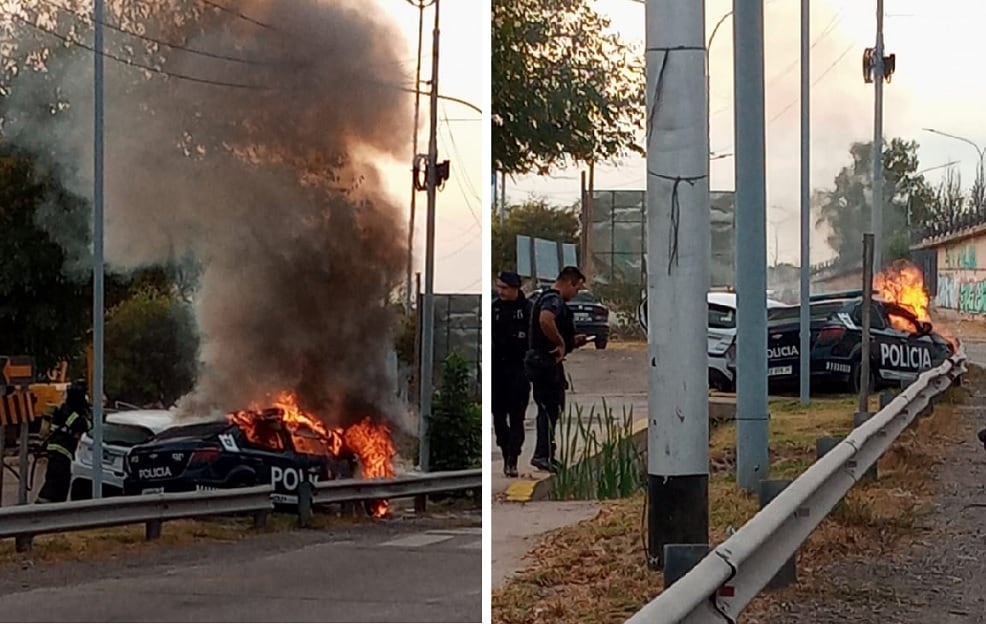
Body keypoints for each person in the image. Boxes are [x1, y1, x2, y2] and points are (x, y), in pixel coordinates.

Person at [524, 266, 589, 473]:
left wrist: (571, 342)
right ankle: (542, 455)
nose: (576, 294)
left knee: (553, 408)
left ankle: (548, 454)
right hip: (544, 363)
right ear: (570, 282)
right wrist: (560, 342)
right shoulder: (553, 300)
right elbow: (545, 319)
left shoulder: (550, 299)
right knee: (547, 408)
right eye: (577, 289)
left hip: (547, 363)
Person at [492, 270, 532, 477]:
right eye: (499, 287)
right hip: (497, 373)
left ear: (516, 289)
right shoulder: (494, 309)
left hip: (518, 373)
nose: (501, 291)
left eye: (505, 288)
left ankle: (513, 459)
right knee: (499, 419)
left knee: (517, 419)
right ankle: (505, 450)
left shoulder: (528, 310)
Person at [36, 379, 91, 503]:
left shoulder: (65, 408)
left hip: (58, 450)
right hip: (62, 451)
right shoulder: (71, 412)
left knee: (59, 483)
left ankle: (53, 510)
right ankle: (39, 509)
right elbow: (84, 425)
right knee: (56, 483)